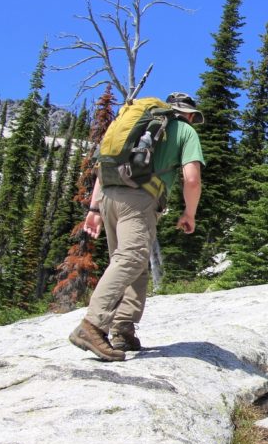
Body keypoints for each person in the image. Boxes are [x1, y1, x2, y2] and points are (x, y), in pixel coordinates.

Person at [69, 92, 205, 362]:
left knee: (131, 262)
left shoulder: (135, 124)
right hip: (140, 199)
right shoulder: (185, 131)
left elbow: (104, 165)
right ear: (188, 114)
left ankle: (123, 329)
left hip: (108, 196)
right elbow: (192, 179)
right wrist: (189, 212)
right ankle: (93, 326)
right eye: (193, 117)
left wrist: (94, 209)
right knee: (131, 259)